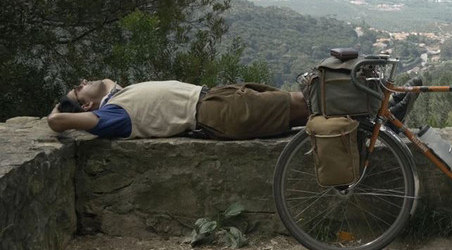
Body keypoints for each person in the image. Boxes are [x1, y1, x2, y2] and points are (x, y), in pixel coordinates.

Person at [47, 78, 310, 139]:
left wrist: (84, 97)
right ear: (87, 105)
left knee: (304, 102)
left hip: (216, 98)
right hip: (214, 111)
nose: (83, 82)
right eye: (78, 88)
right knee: (302, 104)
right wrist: (57, 109)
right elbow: (56, 123)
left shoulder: (115, 97)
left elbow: (105, 82)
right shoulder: (111, 115)